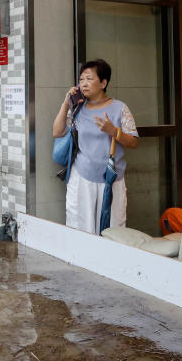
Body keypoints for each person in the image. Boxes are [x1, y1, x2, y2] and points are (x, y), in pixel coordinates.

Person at [52, 59, 139, 234]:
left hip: (112, 178)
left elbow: (133, 142)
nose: (84, 83)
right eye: (81, 79)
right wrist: (65, 104)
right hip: (82, 176)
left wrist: (114, 131)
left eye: (89, 79)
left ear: (103, 82)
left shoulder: (119, 108)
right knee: (80, 226)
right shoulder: (77, 108)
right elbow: (57, 132)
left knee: (113, 229)